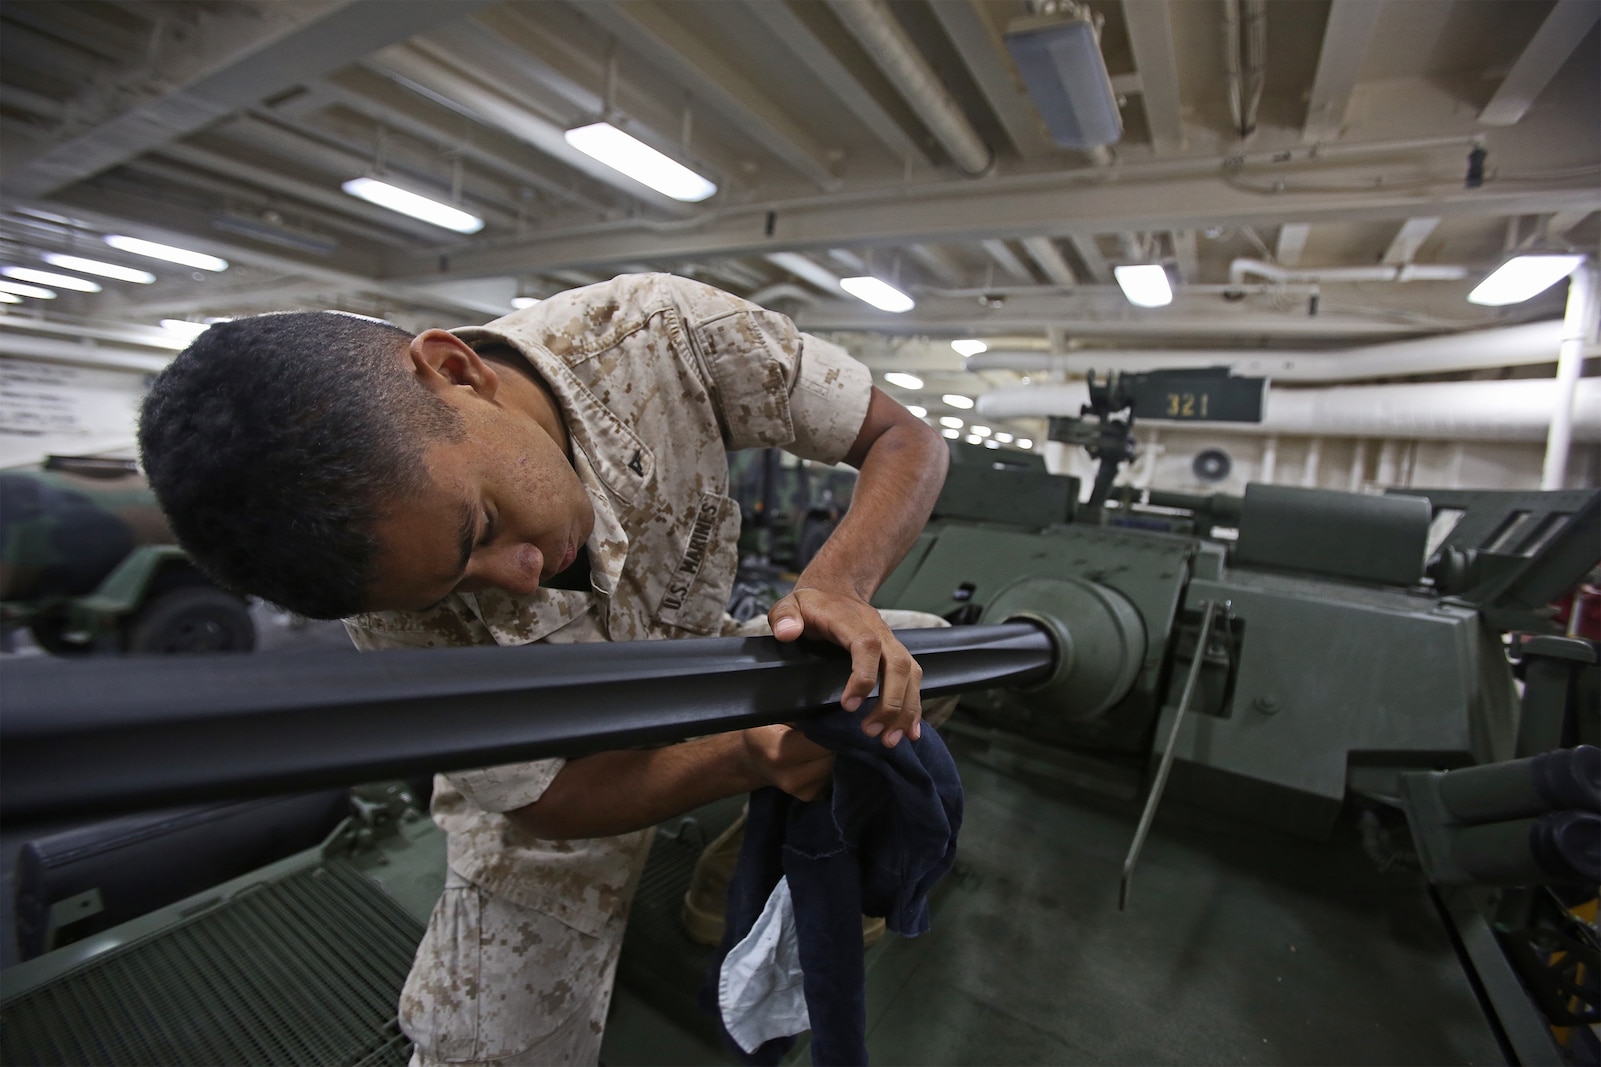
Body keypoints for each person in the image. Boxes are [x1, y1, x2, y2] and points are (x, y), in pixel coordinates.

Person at [136, 273, 951, 1066]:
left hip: (701, 663)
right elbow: (548, 800)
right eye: (457, 582)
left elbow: (904, 438)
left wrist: (837, 581)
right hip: (559, 765)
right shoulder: (388, 605)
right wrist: (745, 753)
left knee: (920, 660)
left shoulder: (656, 336)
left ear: (456, 370)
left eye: (482, 524)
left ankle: (733, 858)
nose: (518, 575)